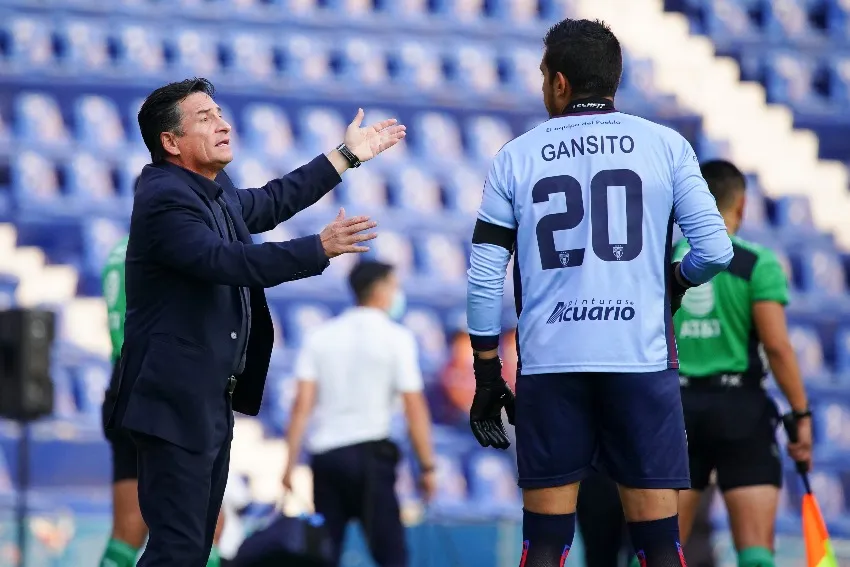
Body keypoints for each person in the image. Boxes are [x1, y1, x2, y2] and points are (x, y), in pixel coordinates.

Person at [464, 19, 734, 567]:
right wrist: (676, 282)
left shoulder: (515, 156)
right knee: (659, 546)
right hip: (640, 358)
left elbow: (484, 277)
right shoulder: (666, 145)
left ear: (560, 82)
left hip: (551, 363)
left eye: (544, 75)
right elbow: (715, 250)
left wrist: (488, 374)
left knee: (545, 545)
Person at [103, 77, 405, 567]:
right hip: (174, 402)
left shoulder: (210, 191)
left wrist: (345, 156)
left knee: (192, 548)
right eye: (205, 118)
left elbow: (269, 201)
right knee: (177, 548)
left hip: (206, 399)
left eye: (220, 114)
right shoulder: (164, 198)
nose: (222, 124)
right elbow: (225, 261)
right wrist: (317, 247)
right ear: (171, 142)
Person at [673, 160, 813, 567]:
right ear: (742, 205)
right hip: (741, 409)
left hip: (675, 410)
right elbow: (778, 347)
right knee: (754, 552)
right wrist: (800, 413)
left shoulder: (661, 261)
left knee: (661, 549)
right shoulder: (755, 262)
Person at [282, 260, 437, 567]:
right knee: (392, 556)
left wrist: (288, 465)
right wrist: (427, 467)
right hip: (371, 458)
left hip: (327, 458)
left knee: (324, 555)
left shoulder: (320, 336)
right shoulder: (396, 338)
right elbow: (414, 407)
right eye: (394, 287)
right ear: (380, 290)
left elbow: (301, 406)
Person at [98, 223, 227, 567]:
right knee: (207, 524)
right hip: (167, 384)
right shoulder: (172, 242)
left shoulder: (120, 249)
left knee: (128, 529)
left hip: (123, 383)